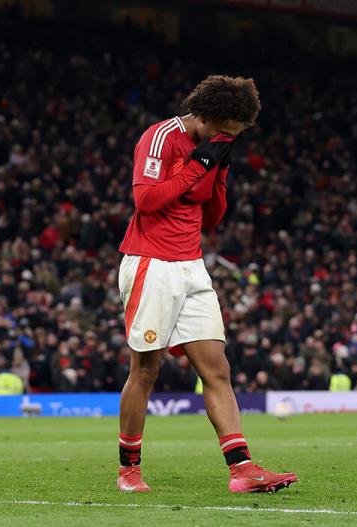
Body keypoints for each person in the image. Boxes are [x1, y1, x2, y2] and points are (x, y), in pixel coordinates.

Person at [115, 75, 297, 493]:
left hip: (192, 265)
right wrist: (199, 165)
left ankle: (242, 469)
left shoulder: (216, 149)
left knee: (218, 370)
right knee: (146, 369)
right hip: (151, 262)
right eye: (226, 132)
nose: (228, 139)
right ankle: (129, 470)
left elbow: (212, 218)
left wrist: (218, 174)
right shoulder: (161, 137)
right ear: (207, 117)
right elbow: (145, 201)